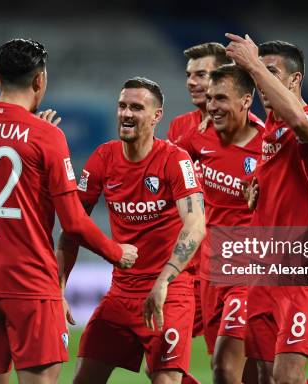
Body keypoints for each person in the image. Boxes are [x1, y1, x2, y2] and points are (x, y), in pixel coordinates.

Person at [0, 38, 137, 384]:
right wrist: (116, 252)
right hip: (29, 284)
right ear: (40, 81)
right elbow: (75, 222)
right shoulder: (45, 135)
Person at [58, 77, 205, 384]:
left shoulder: (175, 160)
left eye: (137, 108)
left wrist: (164, 281)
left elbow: (195, 225)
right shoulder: (103, 158)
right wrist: (58, 288)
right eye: (122, 106)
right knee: (83, 379)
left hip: (170, 293)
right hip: (120, 294)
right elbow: (73, 226)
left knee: (164, 379)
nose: (126, 114)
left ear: (156, 116)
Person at [226, 35, 308, 384]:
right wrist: (256, 185)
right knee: (262, 375)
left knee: (287, 376)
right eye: (261, 74)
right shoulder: (270, 130)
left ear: (295, 80)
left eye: (272, 73)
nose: (260, 83)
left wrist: (255, 65)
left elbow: (302, 124)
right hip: (264, 267)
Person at [174, 63, 263, 383]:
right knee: (239, 372)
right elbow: (167, 164)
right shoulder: (200, 138)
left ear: (246, 100)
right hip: (211, 274)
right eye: (210, 99)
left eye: (221, 98)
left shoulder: (269, 146)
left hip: (250, 274)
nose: (212, 106)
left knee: (225, 369)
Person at [168, 43, 233, 346]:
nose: (191, 81)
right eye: (189, 74)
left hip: (230, 263)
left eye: (201, 74)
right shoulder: (180, 127)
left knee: (233, 366)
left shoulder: (242, 130)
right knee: (159, 351)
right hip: (188, 263)